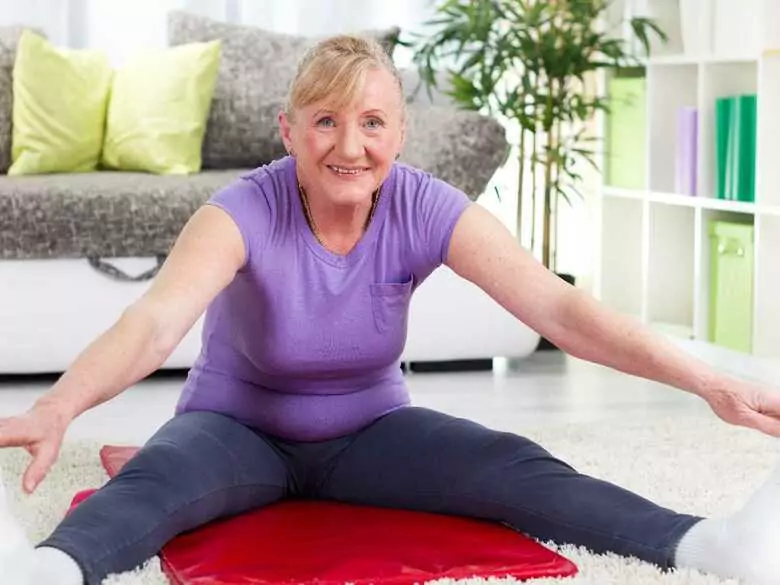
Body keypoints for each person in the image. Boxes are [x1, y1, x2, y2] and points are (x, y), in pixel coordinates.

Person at [1, 34, 780, 585]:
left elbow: (559, 308)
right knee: (158, 481)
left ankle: (709, 544)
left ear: (400, 133)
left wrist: (709, 381)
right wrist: (59, 406)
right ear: (289, 131)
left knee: (513, 465)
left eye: (372, 122)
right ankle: (44, 569)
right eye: (326, 121)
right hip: (234, 429)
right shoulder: (241, 209)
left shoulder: (423, 205)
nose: (351, 146)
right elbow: (153, 324)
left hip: (372, 432)